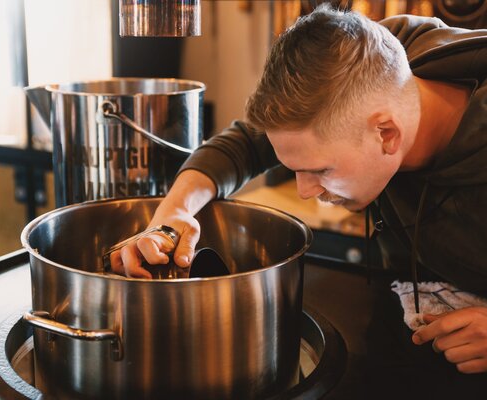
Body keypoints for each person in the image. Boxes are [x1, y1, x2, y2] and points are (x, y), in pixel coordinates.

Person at [109, 5, 487, 374]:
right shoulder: (367, 60)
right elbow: (245, 142)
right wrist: (173, 212)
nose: (305, 191)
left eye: (320, 170)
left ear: (386, 134)